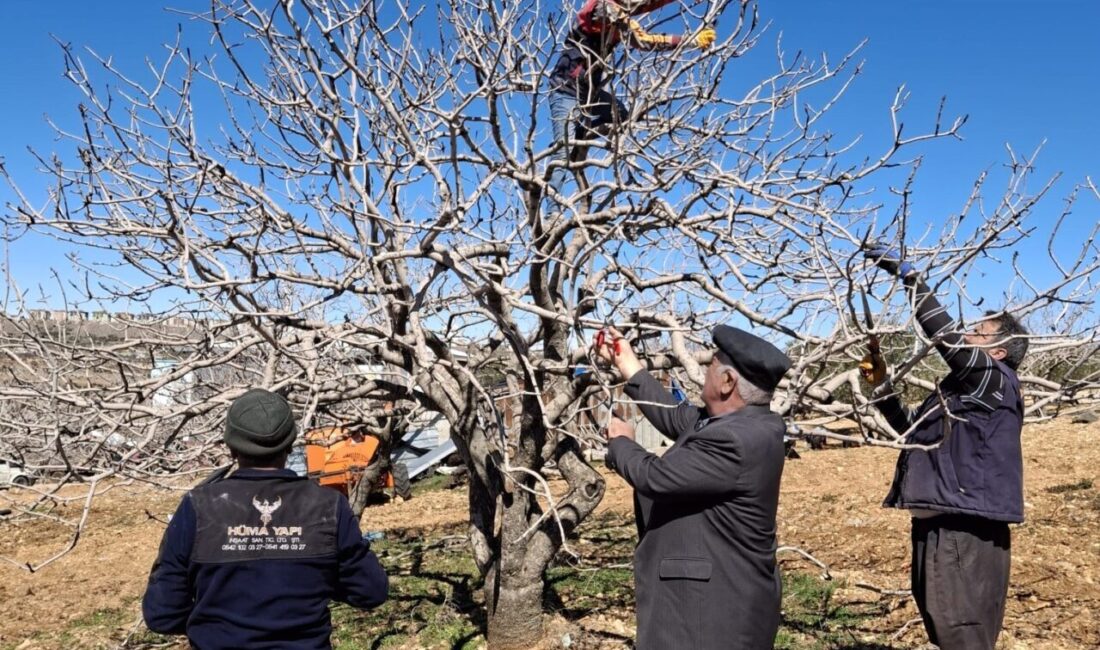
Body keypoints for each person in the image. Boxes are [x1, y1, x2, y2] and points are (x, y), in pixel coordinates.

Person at [863, 243, 1029, 650]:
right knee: (949, 629)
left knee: (961, 631)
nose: (967, 333)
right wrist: (881, 386)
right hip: (940, 524)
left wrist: (910, 278)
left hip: (963, 527)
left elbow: (944, 336)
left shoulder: (995, 378)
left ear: (998, 351)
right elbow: (912, 434)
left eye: (979, 332)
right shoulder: (960, 394)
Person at [142, 388, 388, 649]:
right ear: (290, 443)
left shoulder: (198, 506)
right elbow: (371, 591)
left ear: (231, 446)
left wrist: (213, 623)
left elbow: (163, 614)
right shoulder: (328, 505)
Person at [595, 324, 791, 649]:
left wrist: (621, 443)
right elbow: (676, 418)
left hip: (709, 614)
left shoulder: (736, 440)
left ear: (728, 382)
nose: (705, 368)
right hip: (714, 603)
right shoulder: (743, 423)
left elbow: (656, 478)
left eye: (713, 363)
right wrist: (627, 363)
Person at [546, 0, 716, 212]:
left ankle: (577, 136)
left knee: (619, 113)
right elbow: (617, 11)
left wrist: (691, 41)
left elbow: (646, 41)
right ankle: (552, 213)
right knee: (562, 152)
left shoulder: (621, 20)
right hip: (565, 88)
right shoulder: (598, 8)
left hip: (589, 92)